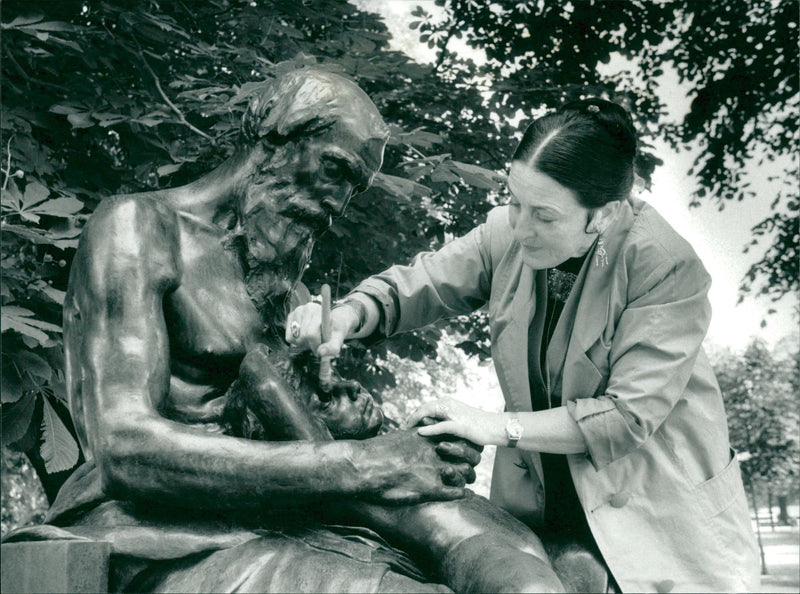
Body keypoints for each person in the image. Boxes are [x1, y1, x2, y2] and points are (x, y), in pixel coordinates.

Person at [4, 69, 481, 593]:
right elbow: (125, 447)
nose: (340, 204)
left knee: (546, 561)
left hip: (286, 520)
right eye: (335, 169)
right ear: (275, 139)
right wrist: (361, 463)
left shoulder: (283, 287)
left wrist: (349, 421)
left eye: (355, 188)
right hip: (157, 527)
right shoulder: (139, 227)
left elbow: (286, 428)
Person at [287, 98, 761, 593]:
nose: (521, 228)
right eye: (514, 201)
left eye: (544, 216)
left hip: (654, 515)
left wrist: (489, 426)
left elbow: (624, 418)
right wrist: (346, 315)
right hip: (541, 509)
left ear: (602, 216)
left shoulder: (665, 265)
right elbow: (422, 284)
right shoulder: (506, 232)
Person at [223, 341, 565, 593]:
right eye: (328, 398)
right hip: (477, 554)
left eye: (340, 378)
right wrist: (270, 347)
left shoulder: (394, 456)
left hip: (517, 544)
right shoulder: (343, 474)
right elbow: (260, 376)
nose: (352, 387)